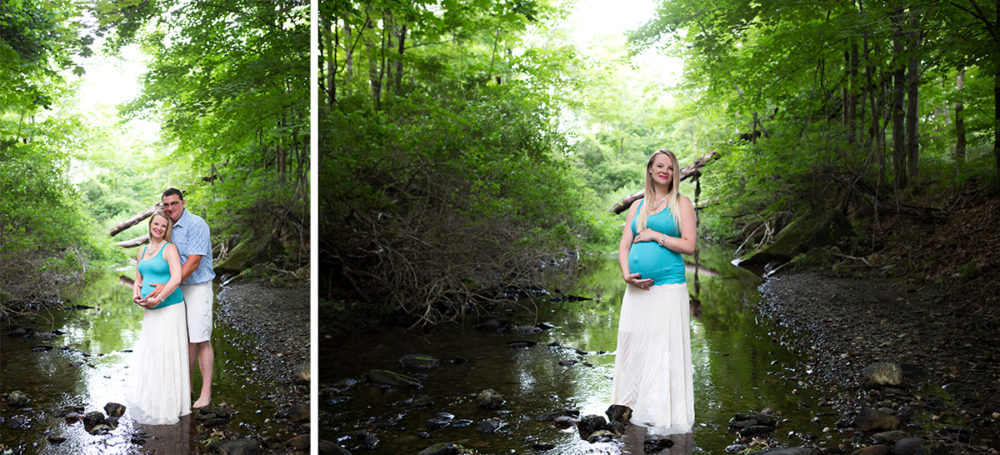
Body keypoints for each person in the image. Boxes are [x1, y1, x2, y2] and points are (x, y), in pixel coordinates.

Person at [612, 149, 697, 435]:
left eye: (670, 168)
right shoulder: (637, 207)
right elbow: (624, 245)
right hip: (636, 289)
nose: (665, 171)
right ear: (649, 169)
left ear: (675, 174)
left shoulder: (681, 203)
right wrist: (626, 275)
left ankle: (662, 412)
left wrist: (654, 236)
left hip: (669, 286)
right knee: (634, 344)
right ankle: (632, 407)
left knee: (663, 347)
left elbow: (688, 245)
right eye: (659, 166)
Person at [154, 188, 216, 409]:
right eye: (166, 204)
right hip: (178, 288)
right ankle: (186, 388)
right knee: (185, 340)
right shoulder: (168, 226)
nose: (170, 208)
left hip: (197, 287)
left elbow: (193, 262)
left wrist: (169, 285)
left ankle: (205, 392)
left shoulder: (196, 224)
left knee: (200, 338)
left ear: (182, 202)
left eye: (174, 203)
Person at [129, 210, 191, 425]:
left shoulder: (169, 248)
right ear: (150, 225)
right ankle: (153, 401)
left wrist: (160, 297)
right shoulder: (142, 251)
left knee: (168, 353)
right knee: (153, 352)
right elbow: (139, 278)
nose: (159, 228)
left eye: (163, 226)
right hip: (150, 308)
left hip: (170, 307)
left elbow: (177, 277)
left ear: (167, 229)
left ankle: (170, 405)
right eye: (156, 224)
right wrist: (136, 292)